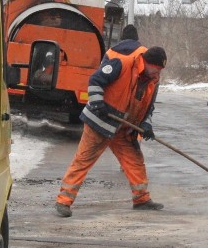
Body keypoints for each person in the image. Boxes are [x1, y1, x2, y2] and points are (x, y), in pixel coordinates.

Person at [55, 45, 168, 217]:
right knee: (83, 161)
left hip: (123, 128)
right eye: (157, 69)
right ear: (148, 63)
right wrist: (97, 102)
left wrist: (146, 125)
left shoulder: (153, 81)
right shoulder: (122, 63)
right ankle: (63, 201)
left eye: (161, 71)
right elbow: (95, 80)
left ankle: (142, 200)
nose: (158, 74)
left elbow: (148, 107)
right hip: (100, 122)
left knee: (135, 161)